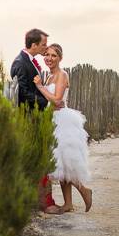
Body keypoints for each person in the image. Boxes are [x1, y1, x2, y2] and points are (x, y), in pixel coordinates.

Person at [34, 43, 93, 213]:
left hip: (62, 121)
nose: (49, 58)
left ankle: (84, 190)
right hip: (51, 119)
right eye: (47, 55)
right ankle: (68, 204)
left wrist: (39, 87)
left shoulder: (62, 75)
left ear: (60, 58)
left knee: (63, 162)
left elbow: (58, 100)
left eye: (54, 55)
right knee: (60, 164)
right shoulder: (49, 76)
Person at [10, 28, 60, 211]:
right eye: (43, 45)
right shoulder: (20, 63)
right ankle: (40, 201)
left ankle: (43, 200)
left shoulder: (29, 61)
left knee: (43, 156)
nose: (45, 48)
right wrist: (45, 102)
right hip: (29, 117)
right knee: (36, 157)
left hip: (36, 116)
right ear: (34, 45)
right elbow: (23, 92)